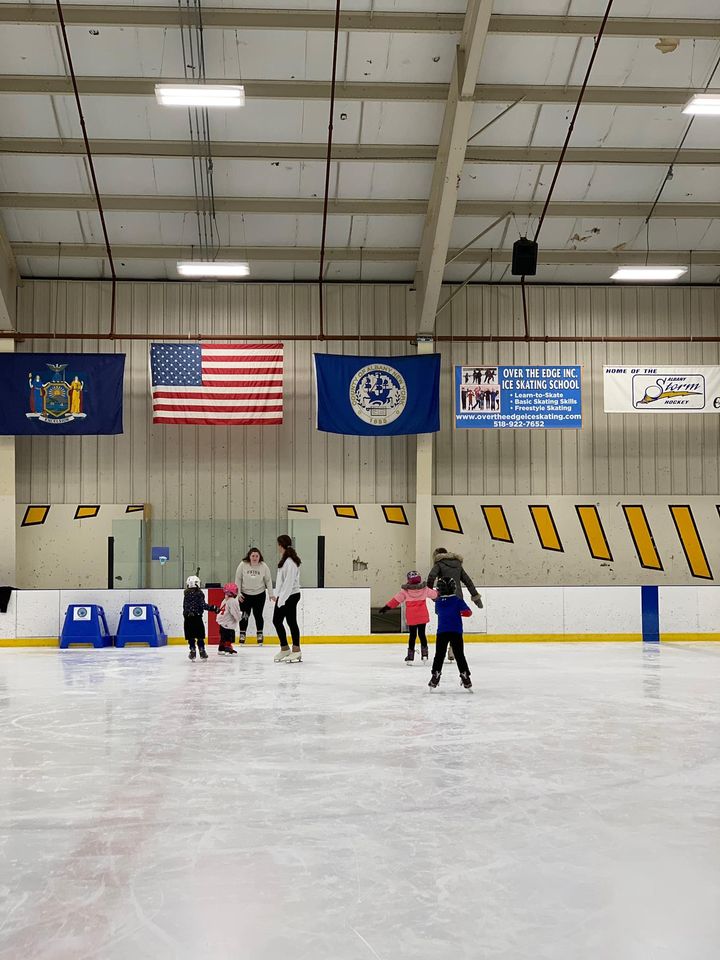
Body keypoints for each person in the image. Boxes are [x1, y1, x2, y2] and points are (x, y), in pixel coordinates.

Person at [427, 548, 483, 662]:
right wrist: (475, 597)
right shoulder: (457, 565)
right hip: (457, 597)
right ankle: (453, 648)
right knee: (456, 623)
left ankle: (444, 648)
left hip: (443, 598)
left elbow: (431, 576)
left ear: (437, 556)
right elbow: (468, 581)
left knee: (444, 622)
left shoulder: (439, 564)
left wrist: (431, 593)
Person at [378, 571, 436, 663]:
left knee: (412, 636)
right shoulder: (425, 589)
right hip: (422, 616)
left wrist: (386, 608)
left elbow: (395, 600)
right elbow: (435, 595)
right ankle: (425, 654)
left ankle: (410, 657)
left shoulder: (405, 591)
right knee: (422, 634)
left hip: (412, 617)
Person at [428, 577, 473, 690]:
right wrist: (458, 613)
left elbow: (438, 612)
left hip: (442, 632)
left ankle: (436, 674)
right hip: (456, 631)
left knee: (439, 655)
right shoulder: (458, 600)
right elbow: (468, 613)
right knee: (459, 655)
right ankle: (465, 675)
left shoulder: (438, 602)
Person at [234, 547, 274, 644]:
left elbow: (268, 580)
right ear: (249, 556)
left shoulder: (263, 566)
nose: (255, 558)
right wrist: (238, 593)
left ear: (259, 557)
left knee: (258, 615)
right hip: (245, 595)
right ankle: (242, 634)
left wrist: (271, 594)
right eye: (253, 556)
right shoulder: (243, 565)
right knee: (244, 615)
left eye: (257, 556)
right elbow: (238, 579)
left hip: (259, 594)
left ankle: (259, 634)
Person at [273, 535, 302, 663]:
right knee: (281, 621)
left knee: (288, 621)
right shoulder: (285, 560)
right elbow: (282, 581)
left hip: (290, 595)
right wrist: (279, 595)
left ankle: (296, 650)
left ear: (281, 545)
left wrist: (281, 599)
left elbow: (289, 583)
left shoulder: (290, 562)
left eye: (278, 544)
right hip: (285, 595)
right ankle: (285, 648)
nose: (277, 547)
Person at [183, 575, 218, 661]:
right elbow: (202, 605)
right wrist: (213, 608)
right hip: (197, 618)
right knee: (200, 636)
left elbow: (185, 607)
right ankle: (202, 650)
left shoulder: (186, 594)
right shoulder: (199, 593)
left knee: (191, 636)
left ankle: (192, 649)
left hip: (188, 619)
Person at [216, 582, 240, 656]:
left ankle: (221, 648)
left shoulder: (225, 600)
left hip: (222, 622)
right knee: (229, 636)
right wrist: (239, 618)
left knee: (223, 636)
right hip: (228, 622)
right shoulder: (232, 601)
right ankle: (228, 648)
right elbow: (235, 612)